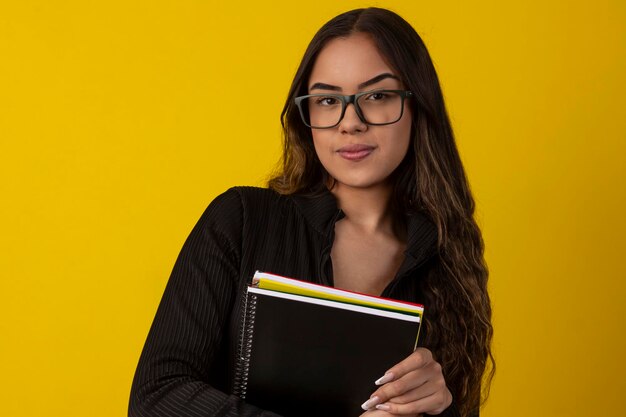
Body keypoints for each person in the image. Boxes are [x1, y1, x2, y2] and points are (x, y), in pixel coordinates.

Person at [129, 7, 494, 417]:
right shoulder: (242, 220)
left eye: (377, 95)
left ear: (418, 106)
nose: (350, 122)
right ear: (307, 117)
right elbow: (156, 397)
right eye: (326, 99)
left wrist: (440, 408)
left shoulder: (449, 259)